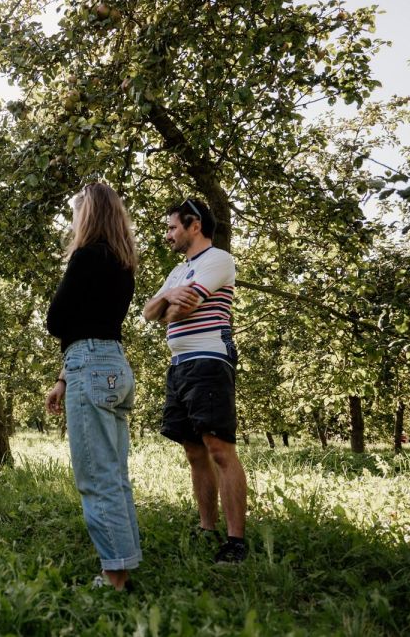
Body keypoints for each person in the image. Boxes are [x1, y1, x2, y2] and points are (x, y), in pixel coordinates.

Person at [45, 182, 140, 591]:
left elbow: (56, 319)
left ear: (88, 214)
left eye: (75, 212)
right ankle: (125, 559)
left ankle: (114, 575)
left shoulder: (85, 258)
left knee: (95, 476)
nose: (72, 220)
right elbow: (97, 325)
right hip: (114, 364)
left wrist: (72, 367)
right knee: (115, 473)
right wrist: (64, 377)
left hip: (89, 364)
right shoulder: (124, 262)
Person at [142, 198, 248, 564]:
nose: (168, 234)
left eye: (173, 227)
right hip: (180, 365)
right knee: (193, 451)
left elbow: (179, 310)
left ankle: (236, 541)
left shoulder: (218, 259)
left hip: (209, 359)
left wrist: (167, 304)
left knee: (219, 449)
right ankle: (207, 528)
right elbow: (147, 313)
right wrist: (167, 297)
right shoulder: (177, 272)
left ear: (195, 225)